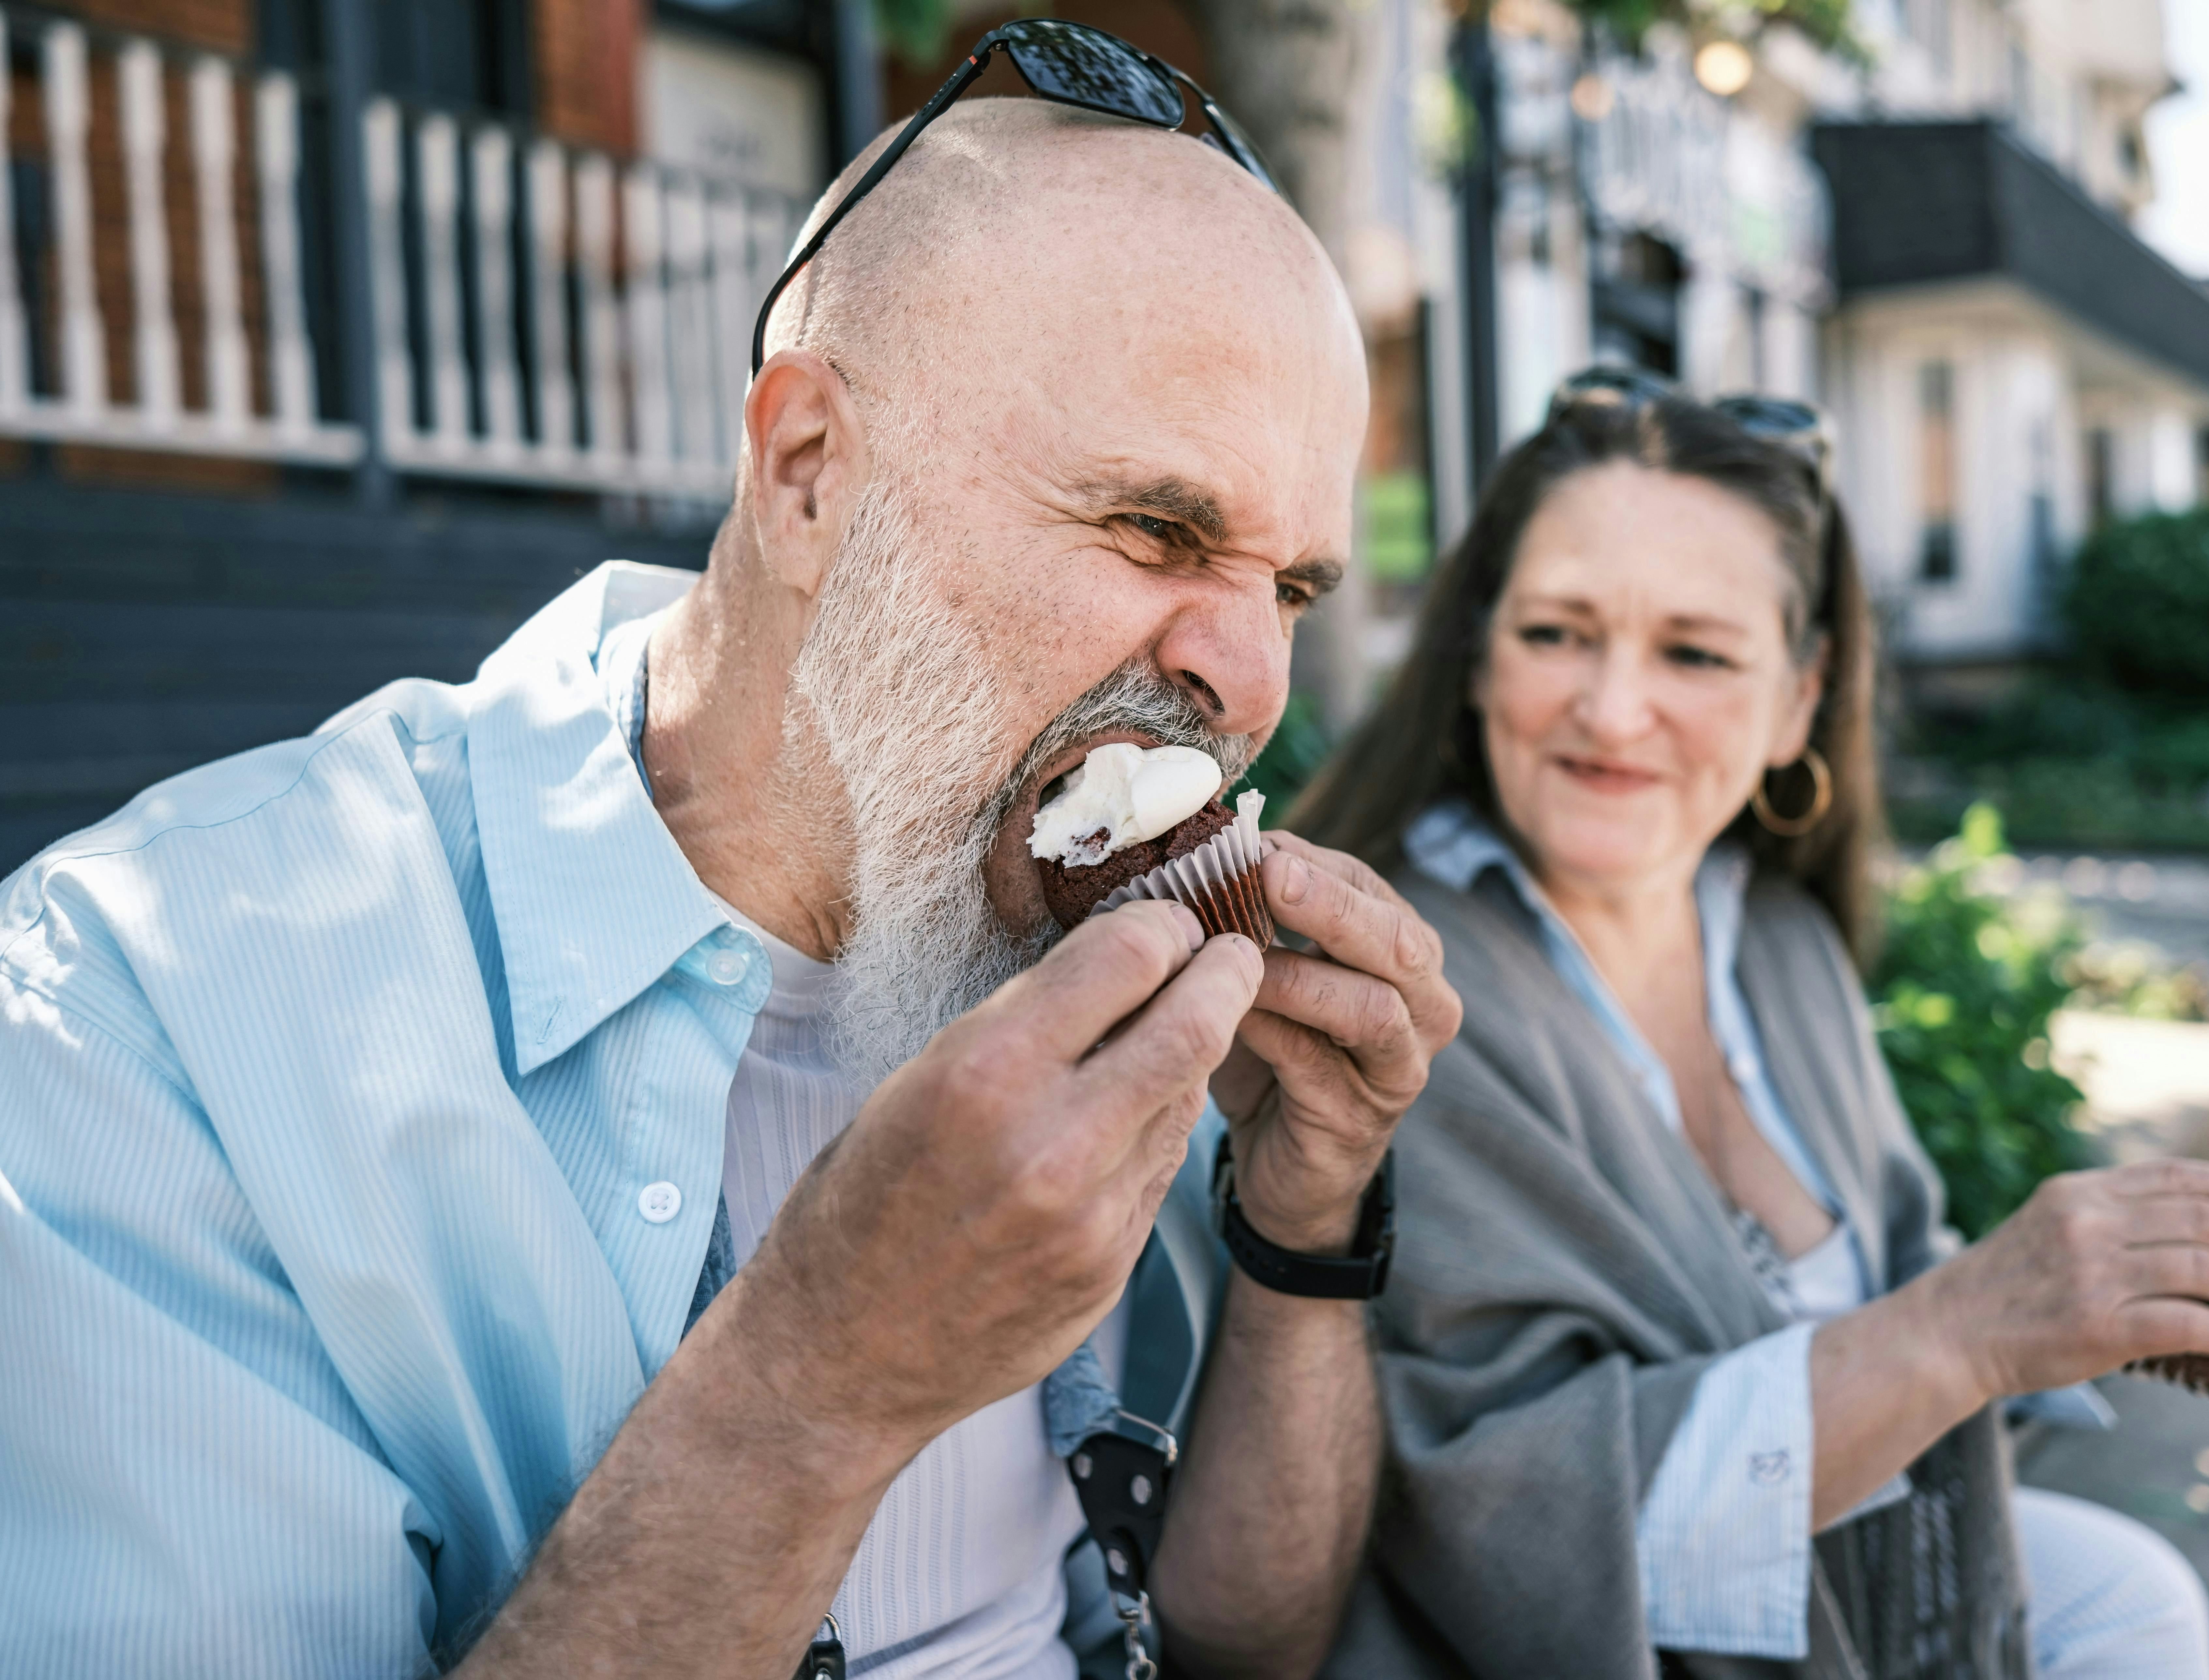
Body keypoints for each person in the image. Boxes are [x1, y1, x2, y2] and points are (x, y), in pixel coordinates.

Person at [0, 65, 1460, 1680]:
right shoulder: (144, 1014)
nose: (1248, 678)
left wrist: (1302, 1226)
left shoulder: (1116, 954)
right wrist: (817, 1381)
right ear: (811, 473)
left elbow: (1240, 1644)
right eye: (1152, 528)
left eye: (1296, 585)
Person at [1295, 377, 2209, 1680]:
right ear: (1476, 653)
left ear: (1800, 697)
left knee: (2131, 1598)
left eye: (1695, 653)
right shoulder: (1384, 989)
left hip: (1829, 1598)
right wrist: (1959, 1328)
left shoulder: (1779, 945)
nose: (1614, 710)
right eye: (1560, 632)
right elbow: (1484, 1523)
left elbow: (1913, 1302)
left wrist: (2123, 1290)